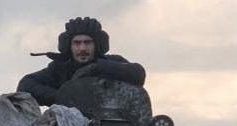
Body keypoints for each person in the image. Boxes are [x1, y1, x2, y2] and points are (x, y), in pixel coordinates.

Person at [17, 17, 146, 106]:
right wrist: (64, 97)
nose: (82, 48)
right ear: (69, 46)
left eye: (87, 42)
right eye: (77, 43)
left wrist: (98, 68)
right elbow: (26, 84)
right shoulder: (60, 68)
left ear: (97, 45)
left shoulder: (113, 62)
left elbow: (138, 74)